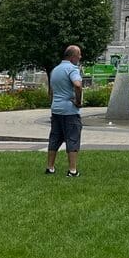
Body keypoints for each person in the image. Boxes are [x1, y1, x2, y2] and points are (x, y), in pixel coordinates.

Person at [46, 45, 84, 178]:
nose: (80, 57)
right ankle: (72, 170)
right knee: (72, 138)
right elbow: (78, 85)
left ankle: (50, 167)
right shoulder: (72, 69)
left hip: (56, 109)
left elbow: (51, 91)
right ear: (72, 56)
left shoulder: (55, 70)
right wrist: (78, 102)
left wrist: (53, 104)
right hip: (70, 111)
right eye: (79, 55)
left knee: (55, 138)